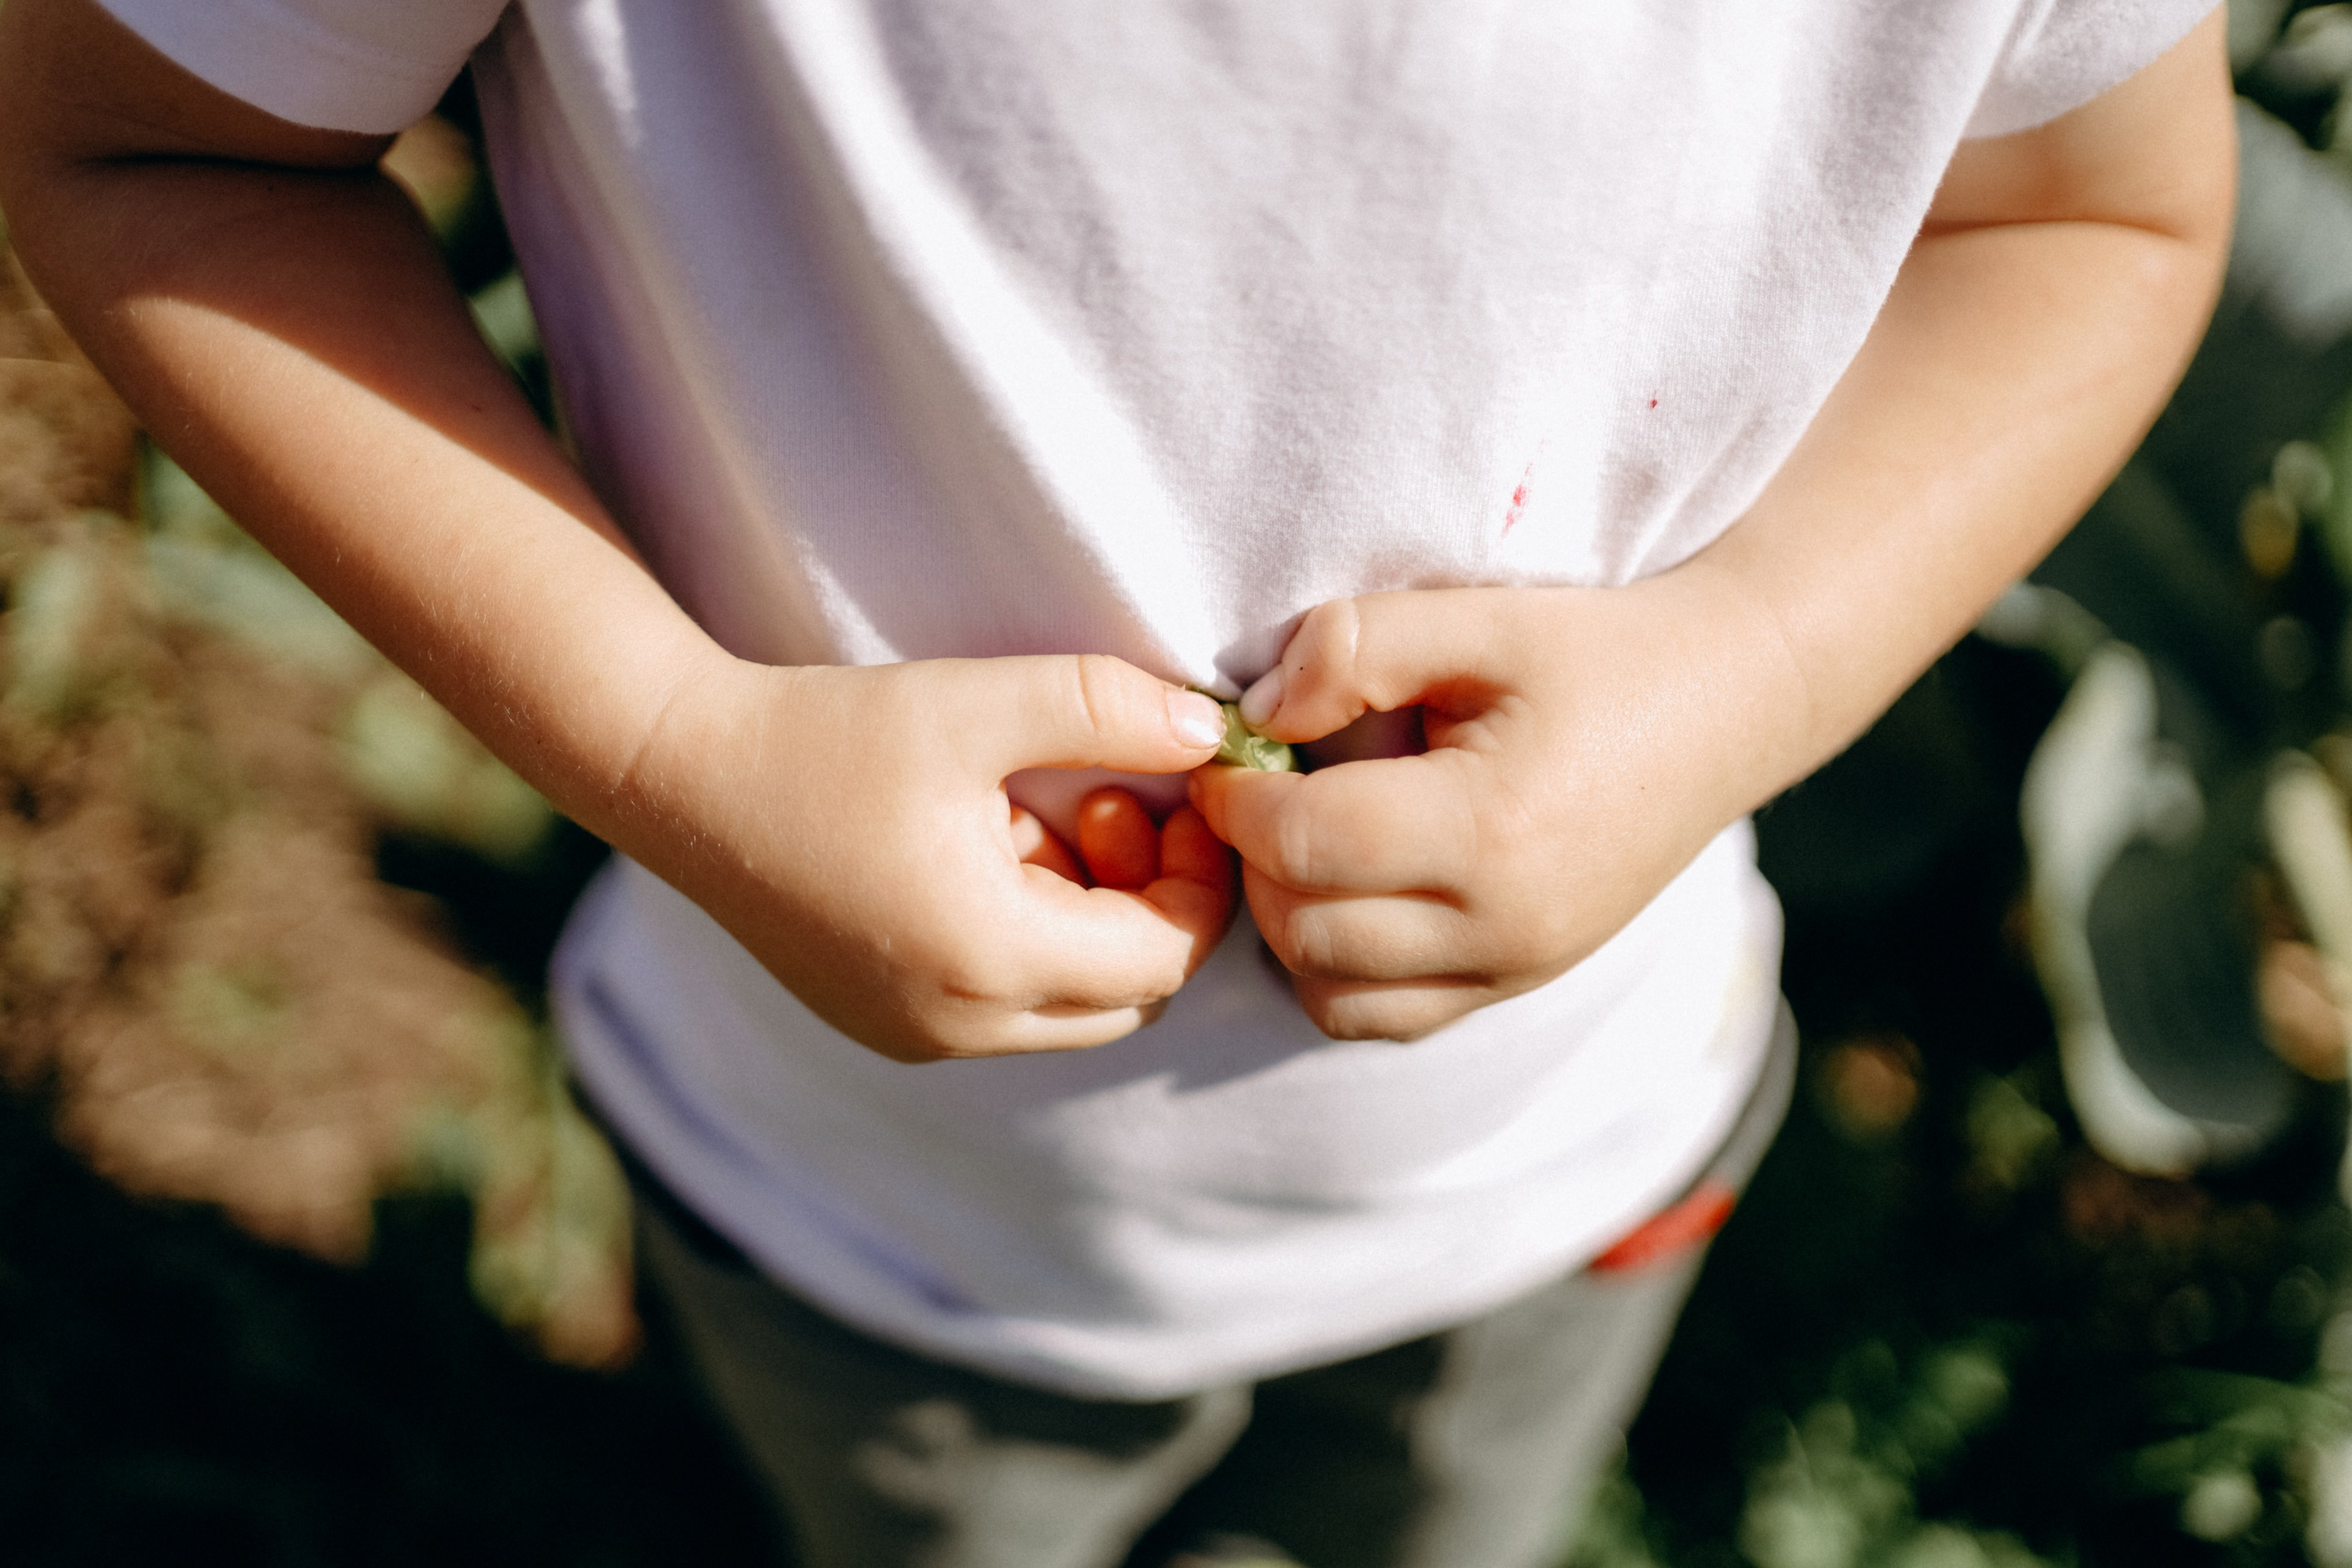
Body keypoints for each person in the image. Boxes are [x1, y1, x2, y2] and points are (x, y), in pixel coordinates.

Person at [0, 1, 2233, 1563]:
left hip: (1559, 1158)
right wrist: (682, 740)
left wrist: (1740, 661)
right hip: (885, 1223)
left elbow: (2086, 218)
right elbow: (146, 138)